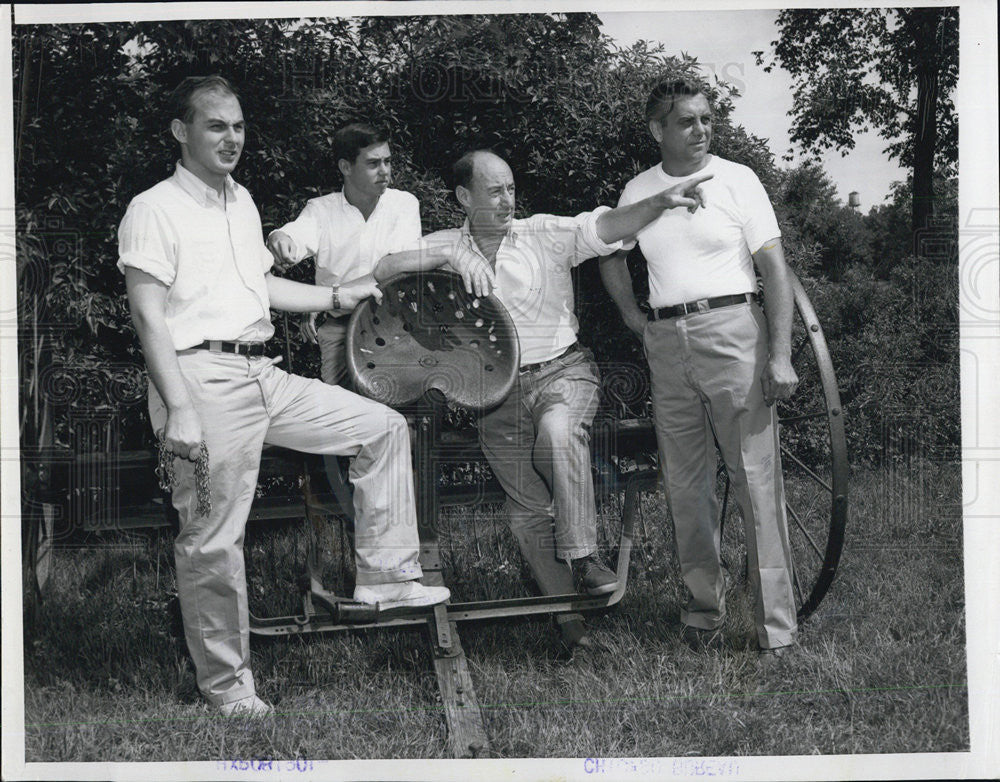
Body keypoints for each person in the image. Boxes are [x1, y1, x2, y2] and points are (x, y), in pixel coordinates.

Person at [118, 76, 448, 717]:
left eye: (238, 125)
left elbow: (261, 288)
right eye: (216, 125)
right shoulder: (153, 208)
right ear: (181, 132)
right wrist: (179, 406)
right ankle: (228, 688)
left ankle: (386, 575)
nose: (231, 137)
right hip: (200, 381)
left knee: (382, 428)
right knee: (213, 540)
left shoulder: (240, 202)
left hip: (261, 374)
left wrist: (335, 296)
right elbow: (147, 315)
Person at [375, 149, 711, 651]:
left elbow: (604, 228)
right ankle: (572, 630)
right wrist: (446, 257)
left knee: (556, 433)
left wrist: (658, 203)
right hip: (494, 394)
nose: (508, 199)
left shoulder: (544, 233)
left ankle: (583, 556)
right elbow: (384, 269)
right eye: (494, 191)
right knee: (526, 515)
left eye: (511, 188)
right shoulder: (443, 246)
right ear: (464, 198)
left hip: (562, 373)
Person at [599, 78, 799, 663]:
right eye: (687, 121)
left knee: (755, 481)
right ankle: (701, 613)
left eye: (707, 119)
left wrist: (781, 354)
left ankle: (777, 629)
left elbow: (775, 269)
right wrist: (636, 319)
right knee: (686, 487)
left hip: (734, 330)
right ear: (658, 130)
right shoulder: (639, 188)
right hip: (666, 340)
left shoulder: (739, 180)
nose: (701, 129)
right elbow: (611, 255)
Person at [266, 124, 422, 518]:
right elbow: (293, 237)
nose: (385, 170)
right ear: (345, 167)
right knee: (342, 432)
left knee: (398, 426)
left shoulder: (405, 205)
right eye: (373, 163)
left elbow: (392, 272)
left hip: (394, 332)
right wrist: (279, 239)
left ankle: (403, 525)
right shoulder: (321, 210)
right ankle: (357, 523)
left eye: (388, 161)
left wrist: (324, 299)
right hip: (339, 334)